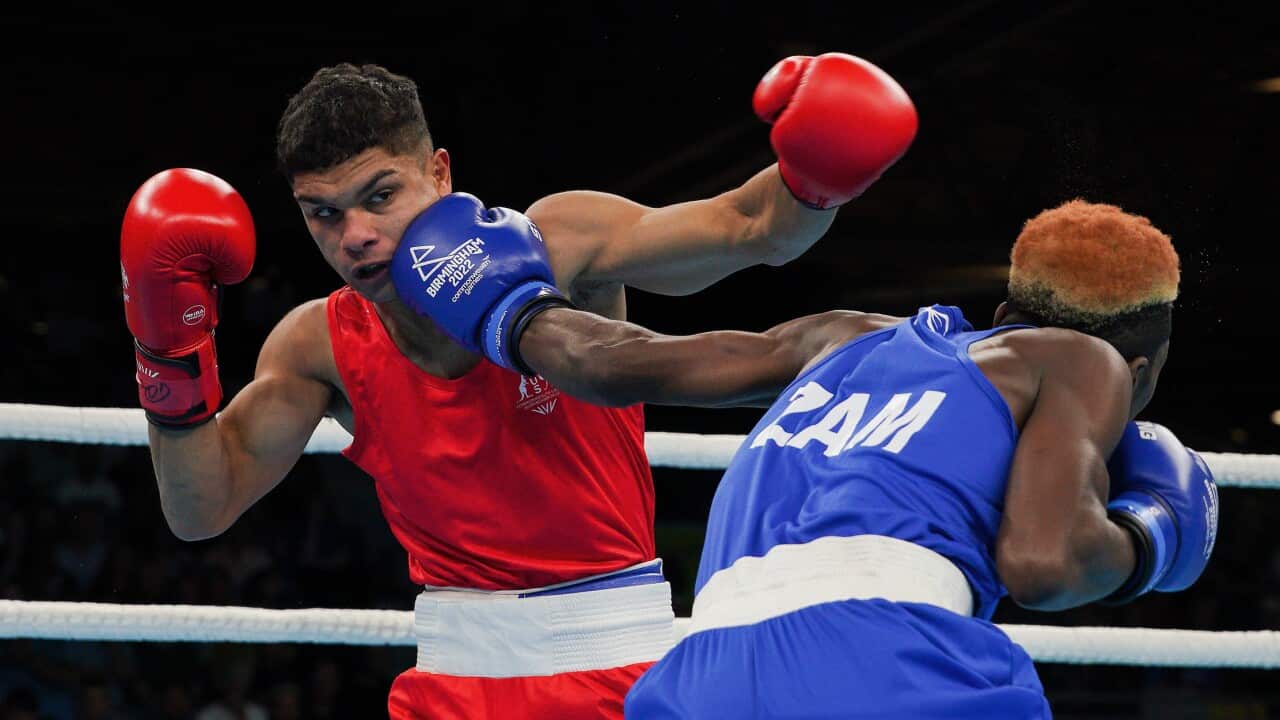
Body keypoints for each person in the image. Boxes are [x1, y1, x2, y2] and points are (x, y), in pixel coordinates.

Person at [117, 53, 918, 719]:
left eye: (380, 196)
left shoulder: (557, 243)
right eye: (321, 214)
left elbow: (753, 228)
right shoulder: (319, 342)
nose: (354, 236)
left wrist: (815, 174)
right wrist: (166, 353)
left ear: (438, 173)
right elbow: (199, 508)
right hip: (451, 681)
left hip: (622, 663)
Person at [397, 196, 1220, 718]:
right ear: (1139, 371)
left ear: (1001, 310)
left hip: (694, 683)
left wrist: (510, 305)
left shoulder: (837, 337)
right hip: (888, 665)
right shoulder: (1083, 364)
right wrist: (1151, 535)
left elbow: (620, 363)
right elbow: (1045, 563)